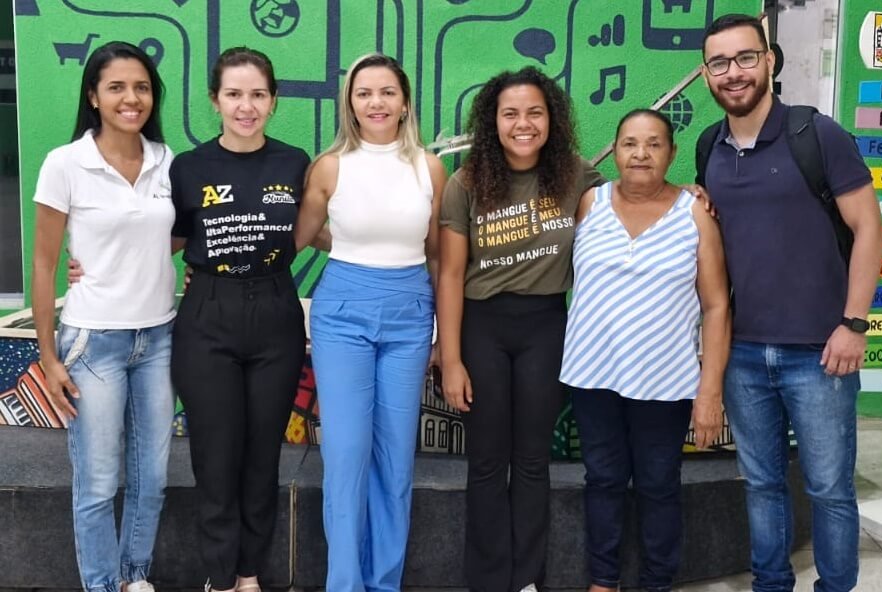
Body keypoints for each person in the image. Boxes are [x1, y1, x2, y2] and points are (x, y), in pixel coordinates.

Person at [698, 14, 882, 592]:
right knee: (762, 485)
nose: (733, 72)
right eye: (719, 62)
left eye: (745, 58)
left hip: (821, 353)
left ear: (770, 61)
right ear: (705, 73)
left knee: (829, 489)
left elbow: (870, 230)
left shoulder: (817, 135)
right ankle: (771, 585)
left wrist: (854, 323)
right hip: (744, 354)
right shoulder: (709, 146)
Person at [437, 66, 604, 592]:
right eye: (510, 114)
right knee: (487, 460)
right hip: (482, 326)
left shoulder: (577, 176)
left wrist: (689, 194)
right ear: (493, 122)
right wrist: (451, 357)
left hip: (546, 326)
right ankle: (489, 581)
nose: (523, 123)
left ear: (552, 119)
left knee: (533, 459)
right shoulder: (466, 182)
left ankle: (527, 578)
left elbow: (634, 205)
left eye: (535, 112)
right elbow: (450, 273)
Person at [292, 53, 446, 591]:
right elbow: (299, 236)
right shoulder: (330, 166)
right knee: (347, 452)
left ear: (404, 102)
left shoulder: (430, 168)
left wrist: (441, 335)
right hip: (342, 313)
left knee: (395, 457)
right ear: (350, 104)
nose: (376, 102)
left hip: (410, 315)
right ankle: (344, 583)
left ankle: (384, 582)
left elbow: (436, 253)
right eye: (364, 93)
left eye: (386, 92)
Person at [560, 109, 730, 592]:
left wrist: (710, 390)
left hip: (665, 380)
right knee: (603, 479)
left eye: (654, 144)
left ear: (672, 154)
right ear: (614, 151)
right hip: (593, 374)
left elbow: (717, 305)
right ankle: (603, 580)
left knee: (658, 484)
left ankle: (657, 581)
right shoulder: (589, 203)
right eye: (630, 143)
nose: (641, 154)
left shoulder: (694, 213)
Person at [31, 41, 175, 592]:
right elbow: (44, 264)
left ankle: (134, 577)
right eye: (116, 87)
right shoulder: (65, 163)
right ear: (93, 95)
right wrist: (48, 357)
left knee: (152, 479)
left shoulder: (165, 160)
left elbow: (170, 234)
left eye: (141, 87)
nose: (130, 98)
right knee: (97, 483)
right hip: (94, 343)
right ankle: (101, 584)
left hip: (158, 338)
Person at [168, 47, 310, 592]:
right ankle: (219, 576)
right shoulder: (189, 167)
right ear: (215, 100)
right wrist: (91, 264)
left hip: (275, 312)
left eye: (257, 95)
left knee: (261, 455)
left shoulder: (295, 163)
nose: (245, 106)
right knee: (215, 454)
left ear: (273, 101)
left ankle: (249, 574)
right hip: (209, 313)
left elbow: (318, 227)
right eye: (233, 94)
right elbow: (164, 238)